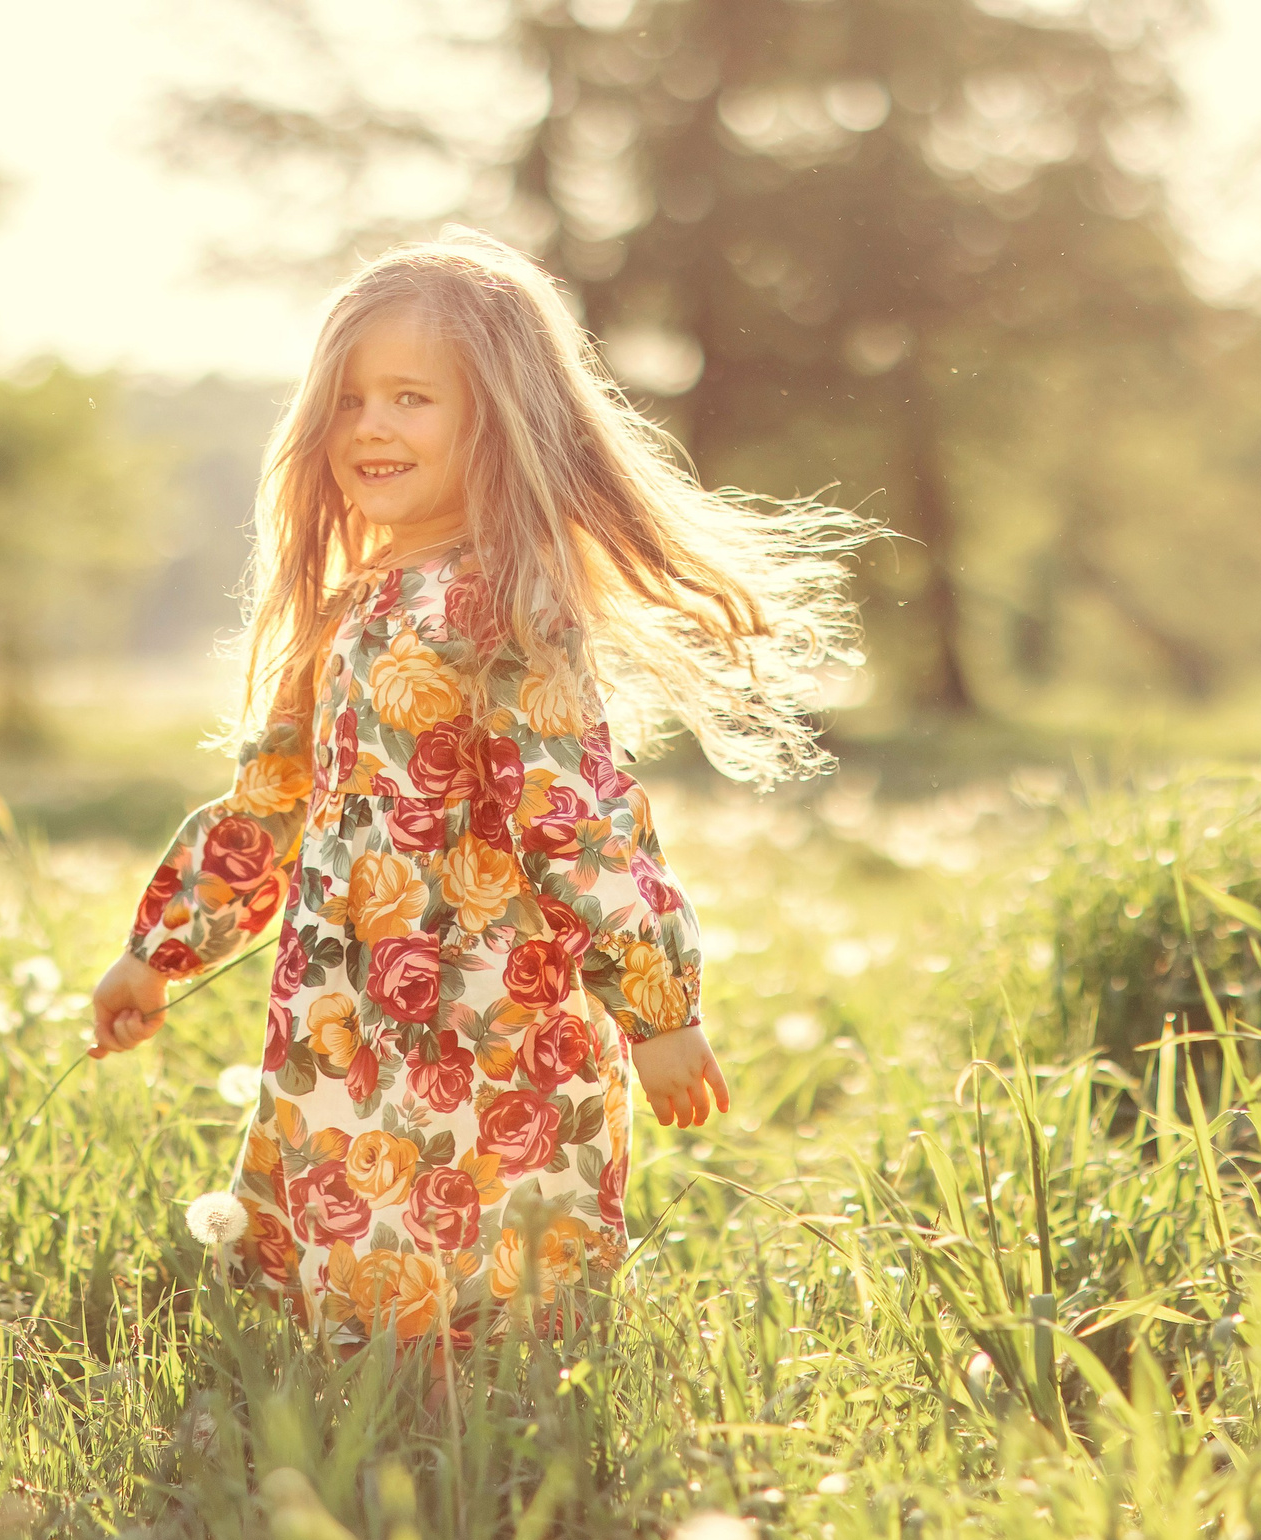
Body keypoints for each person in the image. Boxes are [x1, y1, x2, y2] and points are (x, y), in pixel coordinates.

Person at [87, 229, 868, 1346]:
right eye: (350, 399)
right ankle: (351, 1438)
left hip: (491, 1021)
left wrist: (655, 1006)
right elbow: (269, 798)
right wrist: (159, 951)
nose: (370, 425)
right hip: (348, 1018)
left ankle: (492, 1463)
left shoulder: (507, 607)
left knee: (491, 1298)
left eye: (411, 398)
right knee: (346, 1288)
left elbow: (576, 818)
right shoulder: (353, 604)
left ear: (494, 424)